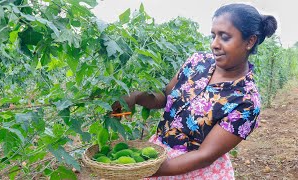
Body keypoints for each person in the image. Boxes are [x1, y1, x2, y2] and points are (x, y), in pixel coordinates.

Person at [112, 3, 277, 179]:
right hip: (157, 156)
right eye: (213, 36)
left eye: (225, 37)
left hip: (194, 171)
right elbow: (165, 97)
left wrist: (140, 168)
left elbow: (203, 156)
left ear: (250, 41)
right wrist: (136, 96)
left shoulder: (246, 101)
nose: (214, 44)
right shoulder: (198, 62)